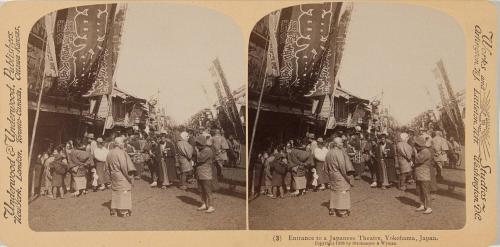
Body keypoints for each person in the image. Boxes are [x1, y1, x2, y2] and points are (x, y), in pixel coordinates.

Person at [106, 137, 136, 217]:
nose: (123, 144)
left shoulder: (109, 153)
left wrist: (110, 177)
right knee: (124, 192)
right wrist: (130, 177)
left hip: (113, 175)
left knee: (115, 192)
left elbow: (106, 167)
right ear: (119, 144)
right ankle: (123, 211)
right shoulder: (122, 153)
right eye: (122, 143)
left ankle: (114, 210)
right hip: (122, 176)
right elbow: (124, 167)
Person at [325, 137, 355, 217]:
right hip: (340, 175)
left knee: (334, 191)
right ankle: (342, 211)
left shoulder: (329, 153)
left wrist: (330, 174)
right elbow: (342, 167)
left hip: (332, 175)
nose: (342, 144)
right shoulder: (339, 153)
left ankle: (332, 210)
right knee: (343, 192)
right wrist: (348, 177)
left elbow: (325, 167)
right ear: (337, 144)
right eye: (341, 142)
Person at [193, 135, 215, 213]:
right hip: (200, 173)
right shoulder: (201, 150)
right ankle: (204, 204)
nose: (196, 146)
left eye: (198, 144)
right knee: (201, 190)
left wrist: (197, 151)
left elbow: (200, 159)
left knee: (208, 190)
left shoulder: (207, 150)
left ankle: (211, 206)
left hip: (206, 174)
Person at [413, 136, 433, 214]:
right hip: (419, 174)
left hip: (424, 174)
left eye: (416, 145)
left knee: (426, 191)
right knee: (419, 190)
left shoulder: (425, 151)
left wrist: (415, 153)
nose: (415, 146)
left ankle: (429, 207)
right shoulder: (421, 151)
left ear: (419, 145)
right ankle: (422, 205)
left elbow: (419, 160)